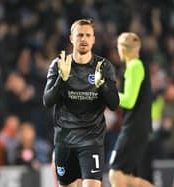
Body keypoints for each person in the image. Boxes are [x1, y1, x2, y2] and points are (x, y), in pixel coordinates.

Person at [43, 19, 119, 187]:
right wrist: (62, 80)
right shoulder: (59, 65)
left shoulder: (103, 67)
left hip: (92, 141)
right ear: (71, 38)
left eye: (87, 35)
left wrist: (103, 85)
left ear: (93, 39)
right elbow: (47, 101)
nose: (84, 39)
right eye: (79, 35)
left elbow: (114, 104)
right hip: (65, 141)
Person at [108, 32, 154, 187]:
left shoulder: (134, 66)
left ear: (121, 49)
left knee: (115, 174)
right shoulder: (136, 66)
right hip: (137, 126)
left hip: (134, 127)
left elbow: (128, 101)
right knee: (126, 177)